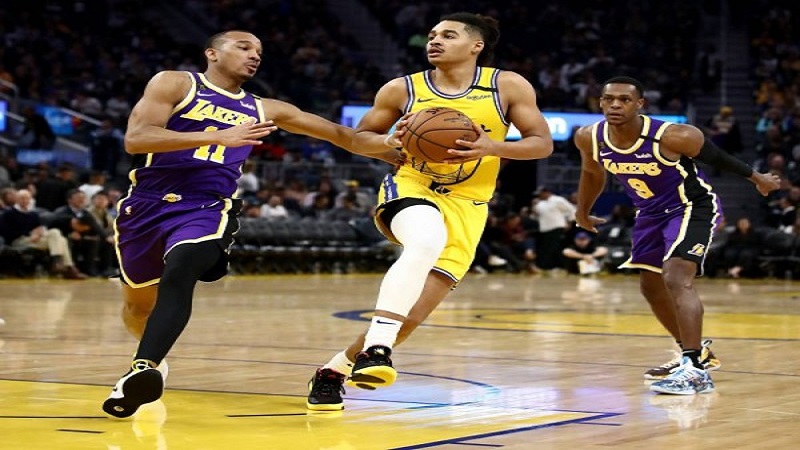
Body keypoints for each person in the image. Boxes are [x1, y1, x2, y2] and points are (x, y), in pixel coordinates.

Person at [102, 30, 401, 419]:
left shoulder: (266, 108)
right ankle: (153, 360)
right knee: (137, 305)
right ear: (212, 53)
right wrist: (222, 136)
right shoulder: (175, 83)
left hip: (207, 206)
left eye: (259, 50)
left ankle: (142, 368)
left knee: (183, 267)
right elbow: (137, 138)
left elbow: (343, 135)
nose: (254, 55)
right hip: (145, 206)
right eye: (244, 47)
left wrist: (392, 145)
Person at [307, 12, 553, 411]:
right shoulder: (401, 89)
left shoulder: (506, 85)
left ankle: (334, 370)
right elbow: (359, 139)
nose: (434, 41)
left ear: (476, 46)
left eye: (448, 35)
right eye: (433, 35)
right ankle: (377, 349)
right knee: (425, 240)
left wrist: (492, 147)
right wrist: (389, 142)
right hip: (412, 186)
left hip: (469, 204)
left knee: (409, 318)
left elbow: (541, 143)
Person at [573, 76, 781, 395]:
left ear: (640, 104)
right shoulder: (589, 137)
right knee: (650, 285)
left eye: (624, 100)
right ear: (600, 102)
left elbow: (718, 158)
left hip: (691, 206)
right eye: (609, 99)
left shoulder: (674, 135)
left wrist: (758, 178)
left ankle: (694, 369)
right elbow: (591, 173)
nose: (615, 105)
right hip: (649, 213)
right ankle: (694, 352)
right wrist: (582, 212)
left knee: (676, 276)